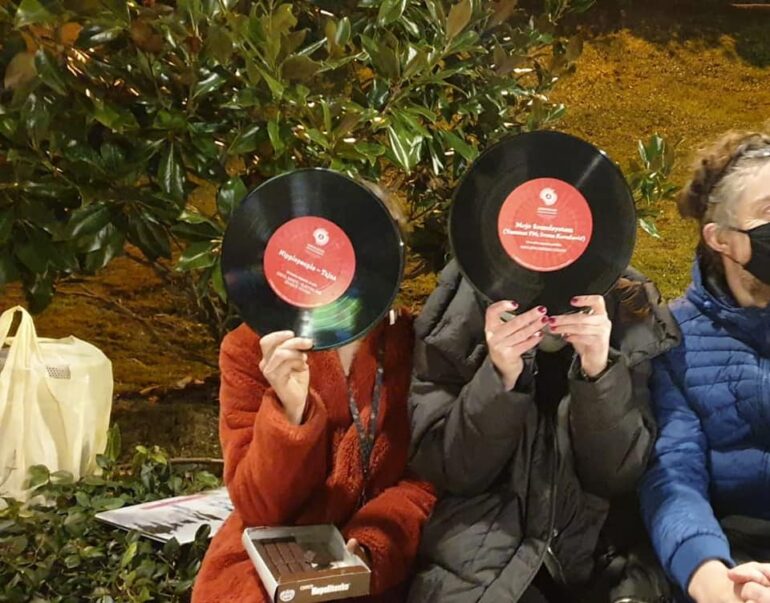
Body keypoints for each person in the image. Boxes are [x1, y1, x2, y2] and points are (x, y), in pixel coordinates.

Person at [192, 187, 436, 603]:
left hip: (370, 568)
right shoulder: (252, 348)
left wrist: (372, 544)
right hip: (267, 564)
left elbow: (426, 480)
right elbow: (258, 506)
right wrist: (289, 413)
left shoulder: (414, 345)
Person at [406, 259, 680, 602]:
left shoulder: (627, 307)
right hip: (478, 562)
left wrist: (599, 373)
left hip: (599, 557)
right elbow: (453, 470)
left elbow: (618, 476)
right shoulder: (458, 311)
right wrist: (499, 378)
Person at [639, 129, 770, 603]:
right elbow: (674, 475)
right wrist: (710, 578)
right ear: (721, 239)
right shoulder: (674, 342)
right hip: (735, 560)